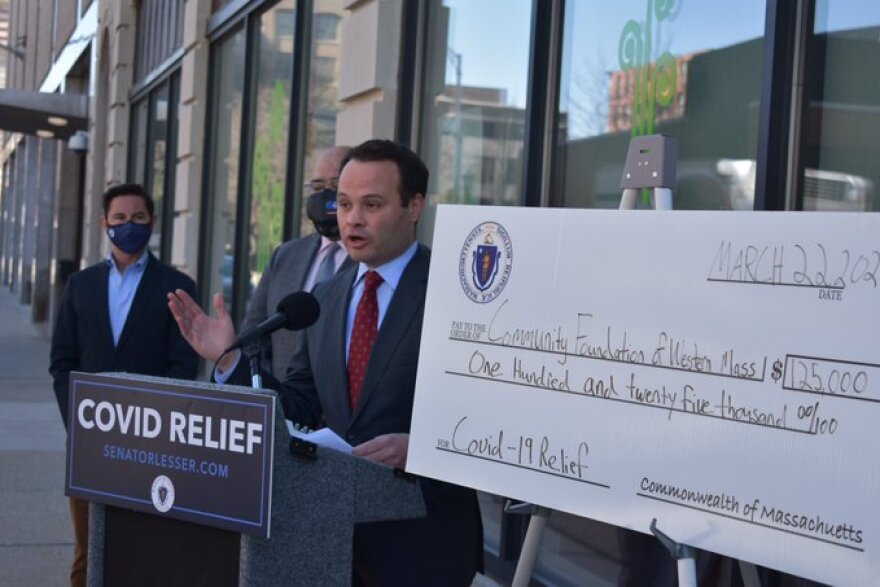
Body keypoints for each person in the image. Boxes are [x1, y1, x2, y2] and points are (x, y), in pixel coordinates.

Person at [168, 139, 483, 586]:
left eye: (371, 204)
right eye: (345, 203)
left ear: (414, 206)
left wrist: (425, 448)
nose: (352, 219)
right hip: (330, 539)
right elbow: (300, 404)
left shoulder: (457, 291)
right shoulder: (325, 296)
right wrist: (230, 359)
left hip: (425, 542)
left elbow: (489, 413)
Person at [50, 183, 199, 587]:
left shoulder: (177, 285)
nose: (128, 226)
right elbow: (62, 362)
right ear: (105, 224)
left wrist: (157, 424)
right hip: (89, 443)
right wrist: (78, 421)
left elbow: (184, 366)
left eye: (137, 218)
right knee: (88, 551)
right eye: (119, 218)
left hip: (151, 445)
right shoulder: (80, 286)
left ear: (151, 222)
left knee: (145, 550)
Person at [240, 146, 351, 379]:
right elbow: (254, 335)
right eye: (317, 187)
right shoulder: (286, 256)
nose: (324, 195)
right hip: (283, 405)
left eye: (335, 186)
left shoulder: (372, 260)